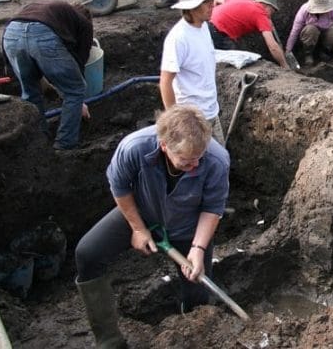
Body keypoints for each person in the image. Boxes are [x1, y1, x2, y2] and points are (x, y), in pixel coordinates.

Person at [74, 105, 230, 347]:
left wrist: (198, 248)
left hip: (188, 226)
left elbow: (212, 207)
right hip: (142, 211)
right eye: (187, 162)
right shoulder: (134, 147)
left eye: (199, 158)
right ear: (165, 146)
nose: (195, 166)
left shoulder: (216, 160)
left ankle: (190, 336)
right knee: (87, 254)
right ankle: (110, 342)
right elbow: (120, 187)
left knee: (197, 290)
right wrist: (137, 228)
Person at [2, 1, 93, 150]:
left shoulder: (47, 11)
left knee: (31, 92)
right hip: (41, 35)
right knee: (75, 90)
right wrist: (78, 100)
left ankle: (40, 141)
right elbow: (79, 61)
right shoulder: (84, 23)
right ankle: (65, 144)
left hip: (11, 34)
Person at [159, 0, 224, 141]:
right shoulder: (178, 38)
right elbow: (165, 82)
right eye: (206, 3)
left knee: (220, 160)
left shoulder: (203, 27)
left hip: (211, 112)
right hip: (192, 120)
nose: (212, 5)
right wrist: (175, 120)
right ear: (192, 8)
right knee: (197, 163)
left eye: (211, 1)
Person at [208, 0, 290, 70]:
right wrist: (284, 65)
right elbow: (273, 47)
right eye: (272, 11)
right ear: (266, 6)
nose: (271, 15)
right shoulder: (261, 14)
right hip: (218, 32)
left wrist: (216, 15)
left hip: (206, 24)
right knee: (236, 62)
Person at [285, 0, 333, 67]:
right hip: (308, 37)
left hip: (324, 34)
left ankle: (323, 51)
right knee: (311, 29)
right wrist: (288, 49)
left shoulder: (332, 11)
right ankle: (308, 54)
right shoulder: (304, 10)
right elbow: (295, 31)